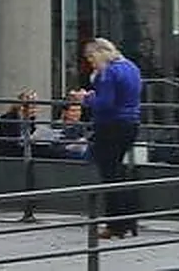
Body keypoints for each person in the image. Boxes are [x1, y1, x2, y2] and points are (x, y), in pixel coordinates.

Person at [73, 37, 143, 239]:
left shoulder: (109, 72)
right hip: (131, 124)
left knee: (110, 176)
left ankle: (116, 224)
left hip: (111, 125)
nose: (90, 63)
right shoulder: (131, 67)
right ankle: (129, 220)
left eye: (90, 58)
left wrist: (85, 98)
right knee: (119, 173)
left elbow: (105, 103)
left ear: (99, 53)